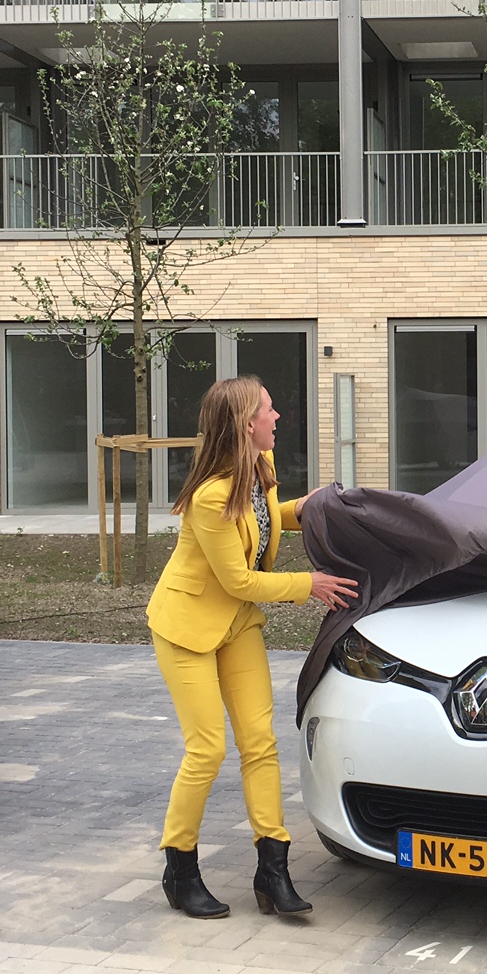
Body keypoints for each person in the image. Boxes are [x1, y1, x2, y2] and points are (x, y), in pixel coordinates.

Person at [148, 376, 357, 920]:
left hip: (235, 626)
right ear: (246, 423)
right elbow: (239, 579)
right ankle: (179, 865)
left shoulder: (258, 470)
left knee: (260, 742)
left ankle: (272, 870)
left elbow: (262, 519)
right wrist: (308, 585)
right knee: (207, 749)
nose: (277, 416)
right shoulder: (210, 495)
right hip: (187, 628)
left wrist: (303, 508)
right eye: (269, 409)